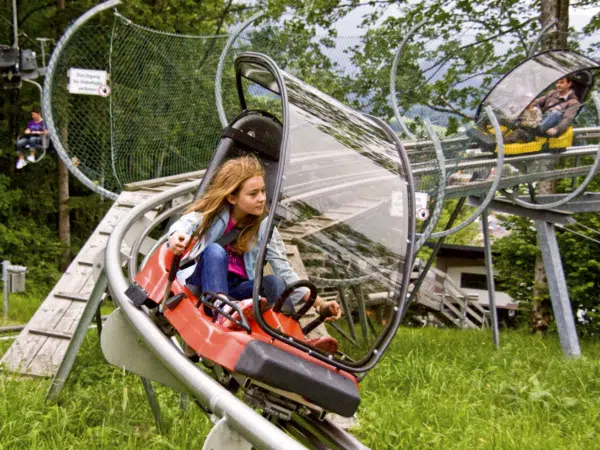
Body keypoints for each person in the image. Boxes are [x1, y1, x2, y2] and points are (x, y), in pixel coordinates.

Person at [167, 155, 342, 332]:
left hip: (236, 291)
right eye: (253, 194)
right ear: (232, 197)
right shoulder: (215, 215)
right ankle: (221, 311)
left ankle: (290, 332)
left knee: (274, 281)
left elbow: (284, 270)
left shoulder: (265, 227)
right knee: (214, 250)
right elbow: (187, 223)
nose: (261, 199)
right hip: (205, 284)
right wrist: (177, 235)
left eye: (263, 191)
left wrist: (319, 304)